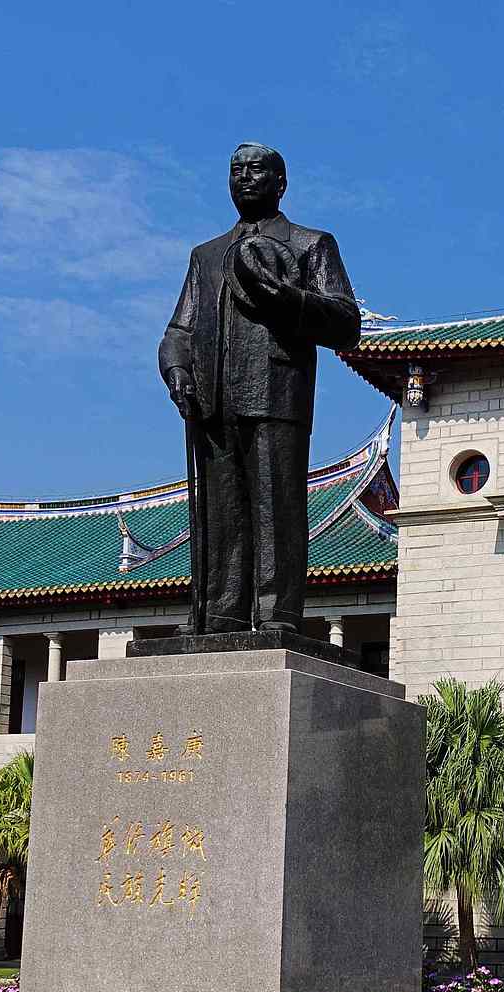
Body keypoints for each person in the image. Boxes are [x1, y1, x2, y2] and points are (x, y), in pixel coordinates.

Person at [159, 142, 361, 635]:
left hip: (276, 393)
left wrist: (284, 298)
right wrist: (177, 370)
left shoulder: (310, 243)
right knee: (219, 513)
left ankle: (277, 614)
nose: (244, 178)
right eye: (236, 170)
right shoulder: (204, 256)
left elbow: (346, 322)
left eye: (256, 170)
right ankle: (220, 611)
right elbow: (179, 329)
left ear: (280, 183)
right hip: (211, 399)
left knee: (276, 508)